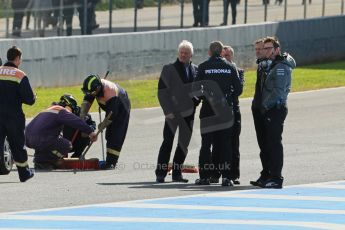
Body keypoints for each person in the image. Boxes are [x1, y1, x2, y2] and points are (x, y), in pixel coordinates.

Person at [193, 41, 242, 186]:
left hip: (208, 110)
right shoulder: (230, 66)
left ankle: (204, 177)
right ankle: (227, 177)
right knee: (226, 143)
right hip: (225, 110)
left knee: (206, 144)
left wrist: (206, 98)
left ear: (209, 52)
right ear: (221, 52)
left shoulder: (203, 67)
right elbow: (238, 90)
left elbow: (195, 89)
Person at [251, 36, 296, 189]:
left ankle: (276, 178)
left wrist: (264, 106)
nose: (266, 51)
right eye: (265, 48)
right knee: (265, 145)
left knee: (274, 144)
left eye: (269, 48)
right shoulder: (268, 65)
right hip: (264, 109)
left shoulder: (281, 66)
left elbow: (278, 92)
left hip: (274, 109)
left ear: (277, 50)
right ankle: (266, 174)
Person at [155, 40, 198, 183]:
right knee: (167, 142)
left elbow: (198, 90)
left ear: (191, 54)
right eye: (181, 52)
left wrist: (196, 102)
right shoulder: (168, 69)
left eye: (186, 53)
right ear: (178, 53)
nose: (183, 55)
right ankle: (160, 173)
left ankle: (177, 173)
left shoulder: (195, 70)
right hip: (172, 113)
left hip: (189, 114)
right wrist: (167, 111)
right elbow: (162, 93)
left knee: (183, 144)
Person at [25, 96, 97, 170]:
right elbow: (76, 121)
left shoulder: (48, 110)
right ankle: (44, 162)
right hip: (41, 138)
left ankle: (39, 160)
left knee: (48, 142)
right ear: (68, 106)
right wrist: (90, 132)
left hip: (27, 139)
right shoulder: (61, 111)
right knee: (66, 145)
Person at [0, 46, 36, 182]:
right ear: (17, 58)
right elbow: (30, 99)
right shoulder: (20, 75)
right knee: (17, 144)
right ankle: (24, 173)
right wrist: (33, 97)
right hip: (14, 117)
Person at [80, 74, 131, 170]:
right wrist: (81, 118)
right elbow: (86, 103)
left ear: (98, 88)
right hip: (108, 104)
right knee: (109, 134)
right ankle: (109, 160)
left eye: (92, 93)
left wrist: (101, 126)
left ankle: (111, 163)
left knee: (115, 134)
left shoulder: (111, 93)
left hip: (121, 107)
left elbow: (111, 116)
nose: (90, 94)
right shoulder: (92, 89)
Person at [250, 38, 270, 187]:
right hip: (257, 108)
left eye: (260, 49)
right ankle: (265, 173)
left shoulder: (268, 66)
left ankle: (269, 174)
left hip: (265, 110)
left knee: (267, 144)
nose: (257, 52)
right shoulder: (260, 65)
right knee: (262, 144)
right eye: (256, 49)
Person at [58, 94, 96, 158]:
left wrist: (90, 129)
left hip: (75, 142)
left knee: (86, 134)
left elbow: (92, 124)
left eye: (66, 108)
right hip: (61, 143)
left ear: (72, 107)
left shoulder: (82, 113)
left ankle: (77, 155)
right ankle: (60, 156)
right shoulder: (57, 112)